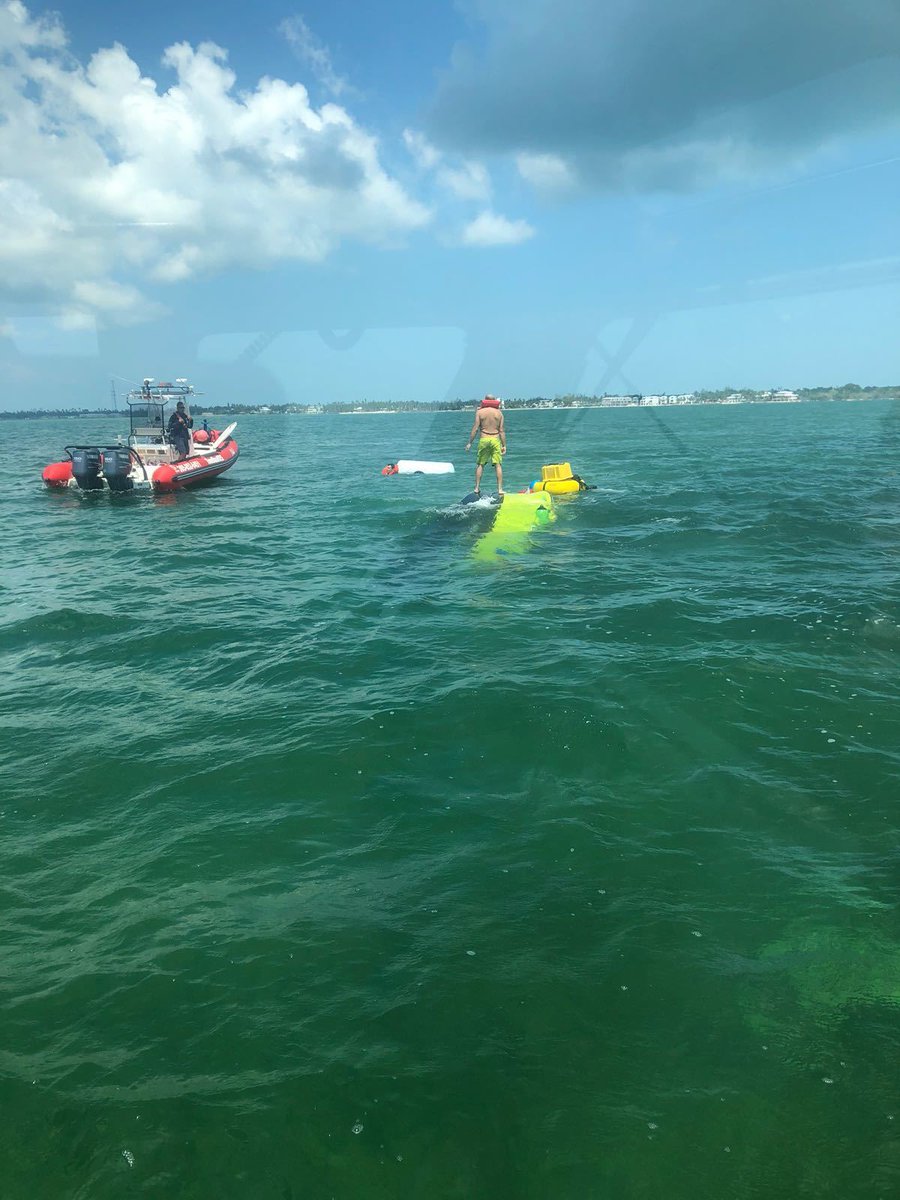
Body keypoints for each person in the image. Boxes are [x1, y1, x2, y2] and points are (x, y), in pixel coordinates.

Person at [465, 394, 506, 495]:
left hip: (484, 439)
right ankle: (500, 489)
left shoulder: (480, 412)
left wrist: (470, 442)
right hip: (495, 440)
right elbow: (501, 431)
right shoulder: (499, 413)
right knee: (498, 465)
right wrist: (504, 445)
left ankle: (477, 488)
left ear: (485, 401)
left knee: (480, 465)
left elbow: (475, 428)